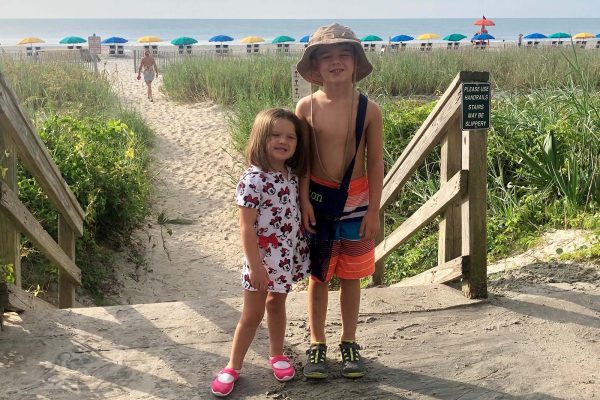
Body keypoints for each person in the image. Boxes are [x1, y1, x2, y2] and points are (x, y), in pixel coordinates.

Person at [295, 23, 384, 379]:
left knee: (352, 276)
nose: (335, 62)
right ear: (315, 67)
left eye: (343, 54)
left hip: (358, 201)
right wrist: (303, 201)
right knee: (318, 276)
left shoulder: (370, 110)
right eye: (326, 56)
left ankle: (349, 341)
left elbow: (375, 161)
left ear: (355, 61)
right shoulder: (306, 107)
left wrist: (374, 210)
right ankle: (317, 343)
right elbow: (301, 162)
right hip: (318, 201)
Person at [210, 108, 310, 397]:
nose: (284, 141)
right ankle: (232, 366)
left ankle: (277, 354)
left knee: (277, 306)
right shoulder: (253, 179)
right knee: (251, 315)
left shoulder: (291, 175)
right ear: (261, 138)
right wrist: (255, 267)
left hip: (284, 258)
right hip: (260, 261)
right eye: (275, 135)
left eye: (290, 136)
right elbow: (247, 227)